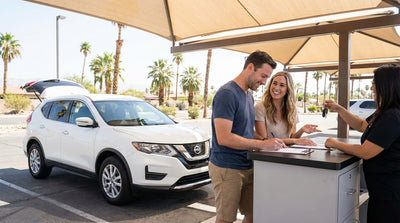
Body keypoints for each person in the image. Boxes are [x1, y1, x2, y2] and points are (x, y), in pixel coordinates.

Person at [209, 50, 286, 223]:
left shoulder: (248, 96)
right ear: (250, 67)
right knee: (225, 219)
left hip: (248, 165)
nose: (265, 82)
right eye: (264, 76)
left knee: (253, 215)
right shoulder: (227, 94)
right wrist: (261, 145)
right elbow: (224, 138)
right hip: (228, 168)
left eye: (267, 77)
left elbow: (245, 131)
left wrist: (267, 141)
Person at [324, 64, 400, 223]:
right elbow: (360, 125)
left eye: (375, 83)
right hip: (382, 191)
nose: (372, 87)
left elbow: (366, 151)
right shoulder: (384, 112)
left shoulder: (392, 116)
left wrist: (334, 143)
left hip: (390, 195)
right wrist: (338, 108)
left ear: (386, 86)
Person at [254, 71, 320, 146]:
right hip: (267, 155)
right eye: (274, 83)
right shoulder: (260, 108)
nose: (276, 88)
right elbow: (263, 139)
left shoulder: (292, 109)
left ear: (287, 89)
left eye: (282, 85)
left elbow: (292, 138)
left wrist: (302, 130)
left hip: (286, 154)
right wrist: (295, 141)